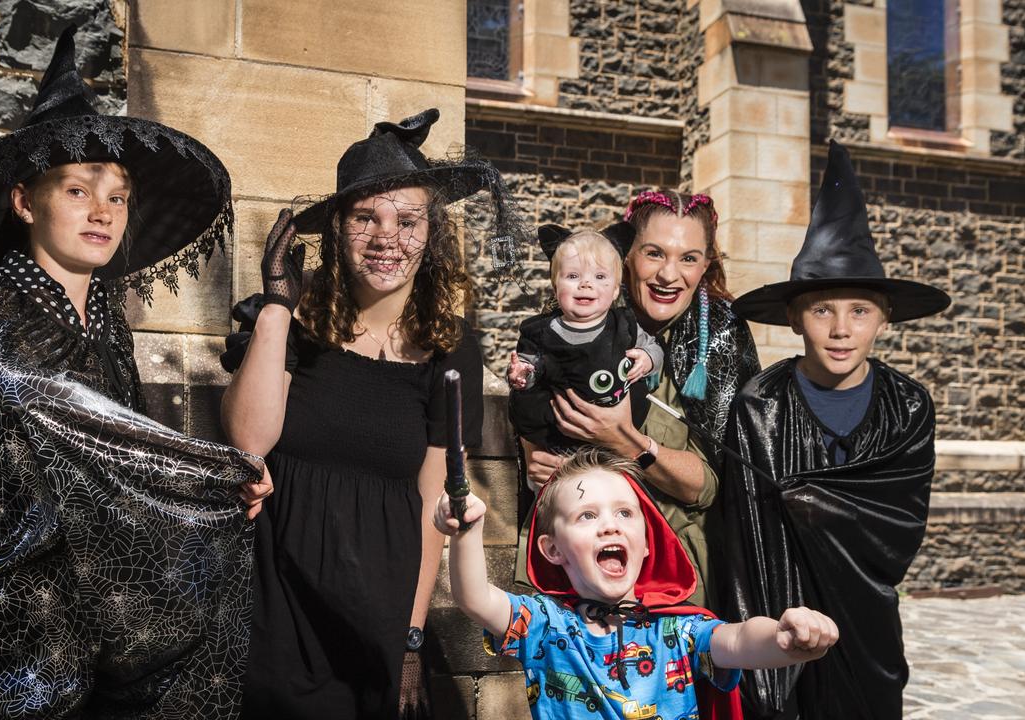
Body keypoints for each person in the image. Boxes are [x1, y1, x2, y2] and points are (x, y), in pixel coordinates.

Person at [0, 26, 270, 718]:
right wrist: (215, 472)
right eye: (78, 190)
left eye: (118, 195)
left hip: (118, 610)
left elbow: (128, 451)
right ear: (26, 202)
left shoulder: (108, 319)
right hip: (35, 613)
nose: (103, 211)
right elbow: (81, 420)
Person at [219, 108, 525, 718]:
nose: (388, 238)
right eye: (366, 218)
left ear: (431, 233)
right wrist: (279, 306)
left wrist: (411, 636)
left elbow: (433, 503)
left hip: (378, 606)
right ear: (337, 228)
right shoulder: (292, 325)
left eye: (408, 221)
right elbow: (248, 438)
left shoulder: (451, 348)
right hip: (274, 597)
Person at [720, 140, 952, 720]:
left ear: (885, 317)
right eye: (822, 309)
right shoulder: (761, 405)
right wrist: (770, 632)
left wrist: (817, 499)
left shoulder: (908, 407)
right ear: (795, 317)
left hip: (865, 621)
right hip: (781, 615)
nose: (841, 329)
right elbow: (746, 535)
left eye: (860, 311)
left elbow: (898, 522)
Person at [434, 446, 838, 720]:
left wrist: (785, 640)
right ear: (552, 550)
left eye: (625, 513)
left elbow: (738, 640)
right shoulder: (545, 624)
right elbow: (475, 598)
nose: (609, 524)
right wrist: (467, 530)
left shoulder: (678, 630)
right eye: (587, 516)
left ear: (648, 545)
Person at [517, 190, 760, 613]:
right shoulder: (574, 318)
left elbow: (710, 485)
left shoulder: (721, 340)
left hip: (672, 573)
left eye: (688, 258)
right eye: (654, 253)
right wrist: (534, 455)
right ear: (626, 257)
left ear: (706, 266)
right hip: (576, 567)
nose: (670, 274)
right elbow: (531, 407)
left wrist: (624, 440)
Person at [507, 224, 663, 452]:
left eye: (600, 276)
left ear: (616, 290)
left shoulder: (623, 324)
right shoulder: (541, 332)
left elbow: (655, 348)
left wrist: (648, 359)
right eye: (572, 276)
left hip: (615, 438)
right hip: (558, 437)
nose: (586, 283)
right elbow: (529, 365)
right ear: (555, 285)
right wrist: (522, 375)